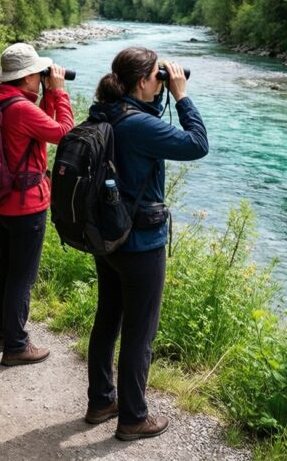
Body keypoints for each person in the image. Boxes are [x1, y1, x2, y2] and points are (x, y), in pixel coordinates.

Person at [83, 47, 207, 441]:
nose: (163, 81)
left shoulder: (105, 112)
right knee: (140, 332)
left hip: (109, 237)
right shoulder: (139, 125)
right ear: (142, 81)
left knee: (108, 319)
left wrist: (158, 96)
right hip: (140, 243)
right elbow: (197, 144)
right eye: (158, 75)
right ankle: (134, 417)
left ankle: (101, 401)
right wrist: (182, 96)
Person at [0, 43, 73, 366]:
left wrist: (46, 95)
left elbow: (39, 128)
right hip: (26, 204)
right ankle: (16, 345)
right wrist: (59, 92)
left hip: (2, 199)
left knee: (6, 269)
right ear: (27, 77)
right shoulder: (20, 108)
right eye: (38, 74)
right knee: (22, 276)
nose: (41, 78)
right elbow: (65, 134)